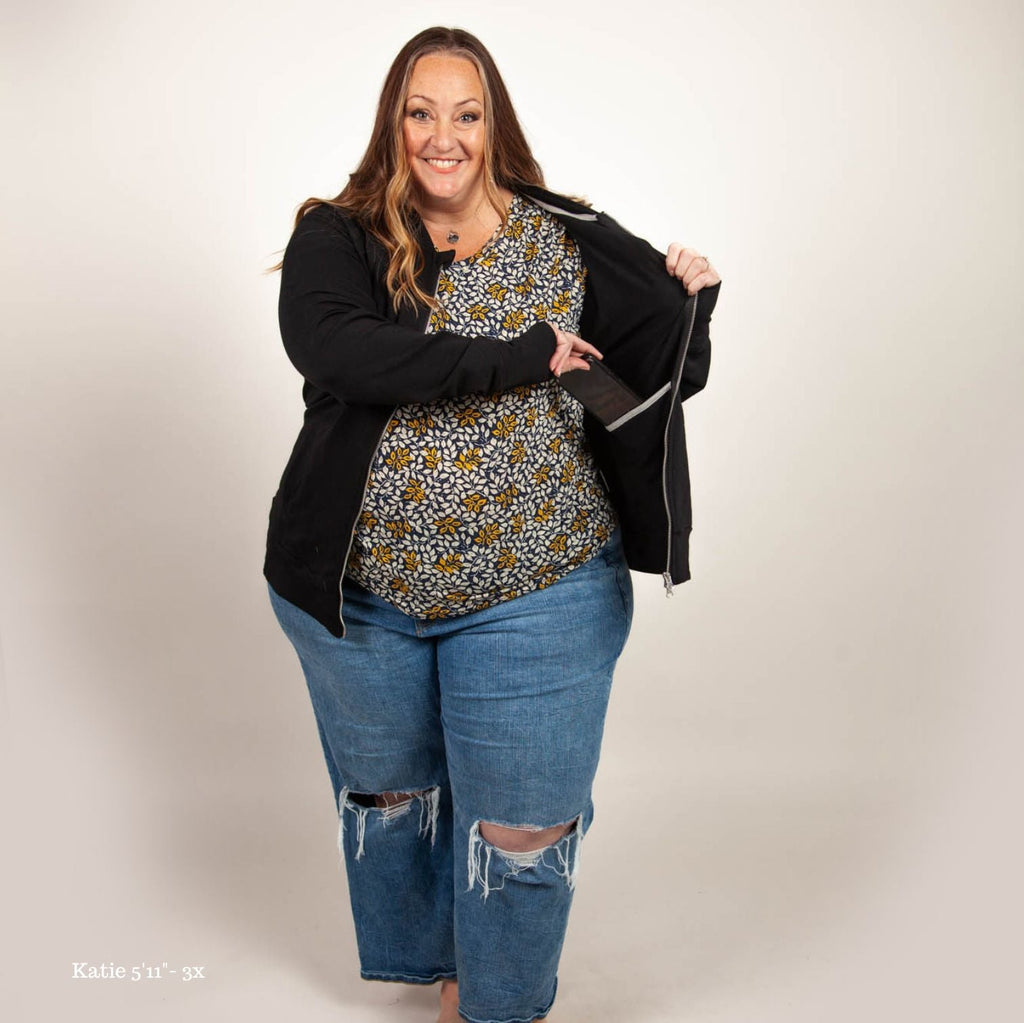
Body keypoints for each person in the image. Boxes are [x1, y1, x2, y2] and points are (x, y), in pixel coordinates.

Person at [264, 25, 721, 1023]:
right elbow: (344, 354)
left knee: (520, 827)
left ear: (492, 124)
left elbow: (650, 384)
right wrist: (517, 355)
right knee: (397, 804)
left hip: (542, 590)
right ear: (393, 122)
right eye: (420, 113)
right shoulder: (338, 239)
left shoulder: (565, 237)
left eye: (465, 114)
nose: (443, 136)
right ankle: (444, 968)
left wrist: (692, 304)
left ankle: (492, 1002)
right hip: (362, 601)